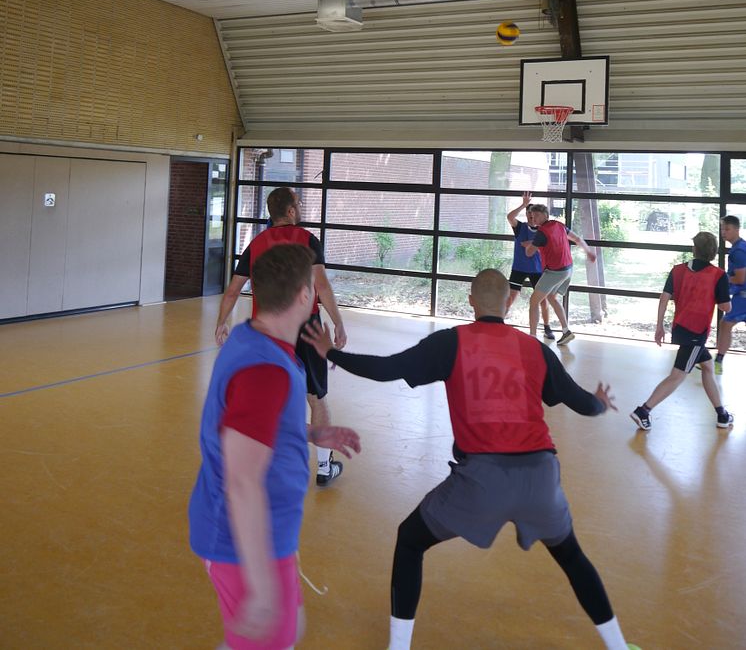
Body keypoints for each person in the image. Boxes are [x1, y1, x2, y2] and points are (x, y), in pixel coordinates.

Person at [303, 269, 639, 650]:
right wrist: (600, 402)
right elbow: (583, 404)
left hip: (482, 480)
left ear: (470, 301)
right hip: (540, 477)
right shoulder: (536, 350)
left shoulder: (451, 343)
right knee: (572, 556)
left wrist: (331, 353)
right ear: (510, 302)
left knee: (411, 541)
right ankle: (619, 646)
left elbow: (388, 369)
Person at [189, 243, 361, 650]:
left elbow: (249, 421)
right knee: (272, 639)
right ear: (305, 296)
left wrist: (308, 433)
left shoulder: (257, 339)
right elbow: (243, 480)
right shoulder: (266, 369)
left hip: (271, 530)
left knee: (286, 632)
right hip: (238, 538)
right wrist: (260, 582)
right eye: (315, 289)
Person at [215, 186, 348, 486]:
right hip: (307, 327)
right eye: (298, 204)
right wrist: (338, 322)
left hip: (268, 332)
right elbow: (322, 287)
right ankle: (325, 467)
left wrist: (222, 321)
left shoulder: (256, 244)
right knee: (316, 397)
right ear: (290, 211)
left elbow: (234, 290)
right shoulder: (308, 240)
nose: (300, 208)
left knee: (268, 397)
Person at [630, 231, 734, 432]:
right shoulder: (718, 275)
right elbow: (725, 308)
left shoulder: (677, 270)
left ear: (694, 249)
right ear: (714, 252)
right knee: (677, 376)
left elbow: (664, 298)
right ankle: (644, 411)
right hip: (696, 332)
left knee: (707, 367)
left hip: (680, 328)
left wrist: (659, 326)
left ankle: (722, 414)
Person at [522, 203, 596, 345]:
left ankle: (532, 338)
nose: (533, 218)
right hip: (567, 269)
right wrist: (588, 252)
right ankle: (566, 331)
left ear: (545, 215)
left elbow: (528, 253)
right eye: (532, 216)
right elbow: (578, 240)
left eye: (536, 215)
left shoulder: (541, 232)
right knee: (551, 297)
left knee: (533, 301)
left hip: (554, 272)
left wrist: (530, 245)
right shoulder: (559, 225)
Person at [506, 191, 555, 341]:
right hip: (519, 268)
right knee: (511, 297)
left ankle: (547, 327)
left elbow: (550, 246)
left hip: (537, 270)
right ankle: (498, 322)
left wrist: (533, 245)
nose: (531, 217)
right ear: (526, 215)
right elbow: (510, 217)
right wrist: (523, 204)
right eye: (529, 214)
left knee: (543, 300)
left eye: (533, 214)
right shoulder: (519, 227)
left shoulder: (543, 229)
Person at [714, 215, 746, 375]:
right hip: (740, 296)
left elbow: (740, 278)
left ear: (736, 229)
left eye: (727, 229)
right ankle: (718, 361)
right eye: (722, 229)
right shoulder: (740, 247)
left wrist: (725, 278)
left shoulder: (738, 252)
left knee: (725, 325)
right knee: (725, 324)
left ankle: (718, 362)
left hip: (743, 298)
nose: (723, 232)